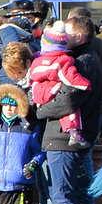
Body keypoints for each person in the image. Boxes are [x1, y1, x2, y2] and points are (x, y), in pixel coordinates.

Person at [33, 15, 102, 204]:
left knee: (63, 196)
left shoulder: (82, 62)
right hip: (63, 137)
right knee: (63, 195)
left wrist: (37, 110)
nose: (64, 36)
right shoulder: (84, 59)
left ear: (80, 36)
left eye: (69, 32)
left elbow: (67, 102)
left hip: (65, 139)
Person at [28, 22, 92, 151]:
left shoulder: (37, 59)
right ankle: (74, 132)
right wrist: (85, 84)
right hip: (52, 91)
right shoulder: (63, 60)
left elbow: (31, 75)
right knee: (70, 112)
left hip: (38, 92)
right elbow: (69, 78)